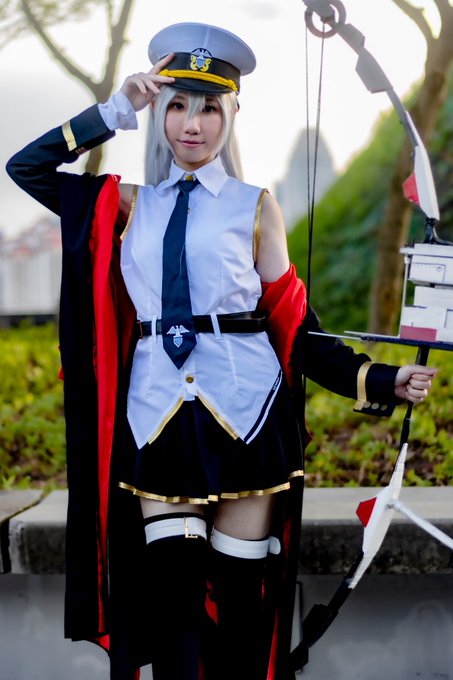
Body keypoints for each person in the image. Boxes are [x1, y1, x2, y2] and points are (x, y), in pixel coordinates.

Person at [6, 22, 437, 680]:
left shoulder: (255, 207)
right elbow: (27, 168)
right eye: (177, 104)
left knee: (240, 608)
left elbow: (293, 322)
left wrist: (379, 379)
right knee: (173, 605)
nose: (192, 124)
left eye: (209, 108)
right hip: (155, 417)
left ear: (232, 114)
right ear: (160, 112)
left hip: (246, 414)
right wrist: (116, 109)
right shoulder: (126, 206)